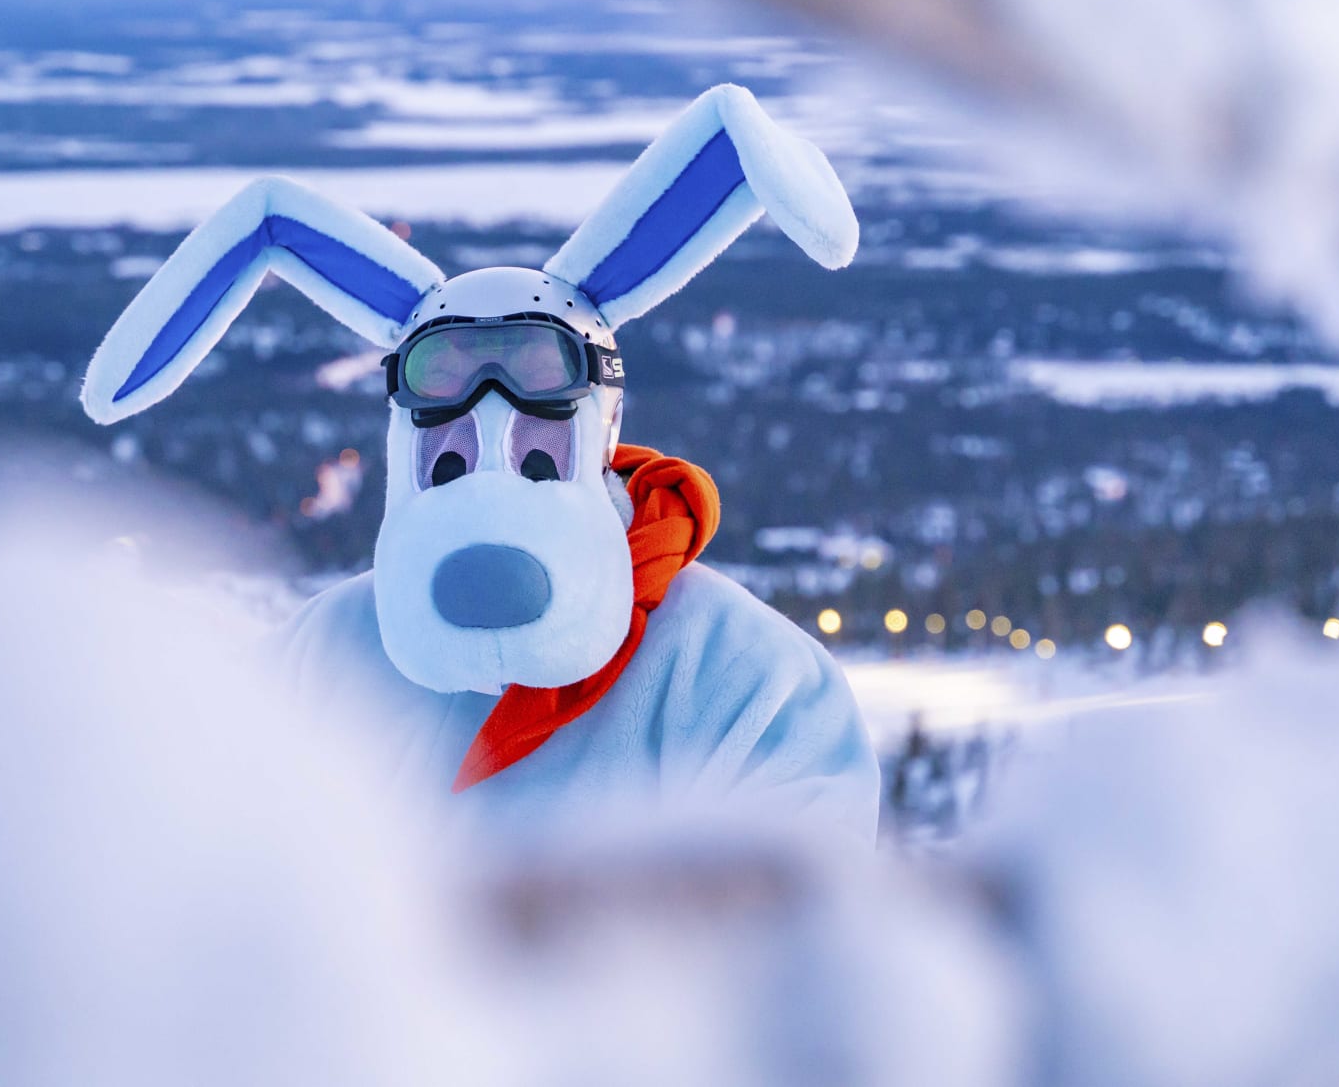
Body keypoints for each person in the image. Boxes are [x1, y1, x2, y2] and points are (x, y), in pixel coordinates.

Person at [82, 85, 880, 841]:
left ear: (601, 429)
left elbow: (810, 898)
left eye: (538, 458)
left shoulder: (737, 678)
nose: (493, 483)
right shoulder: (326, 659)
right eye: (451, 462)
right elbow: (190, 849)